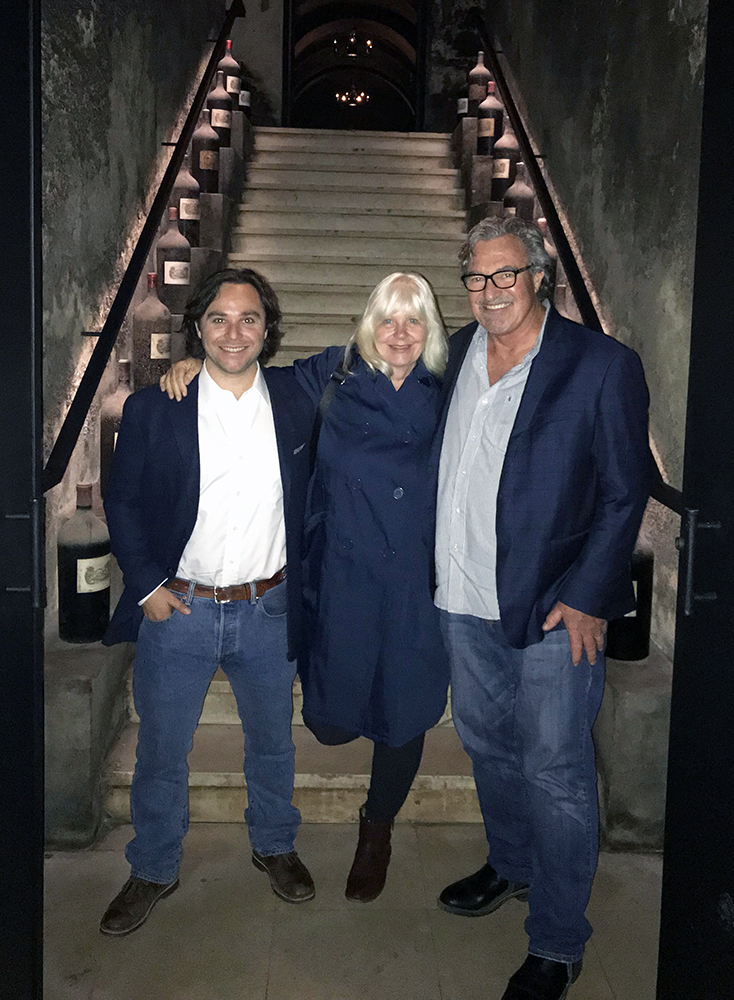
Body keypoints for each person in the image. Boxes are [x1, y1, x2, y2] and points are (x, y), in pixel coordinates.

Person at [162, 271, 451, 903]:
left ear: (431, 329)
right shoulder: (333, 374)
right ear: (367, 324)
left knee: (403, 710)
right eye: (387, 318)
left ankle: (376, 831)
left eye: (414, 320)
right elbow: (246, 371)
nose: (400, 333)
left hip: (413, 581)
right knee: (328, 720)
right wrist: (192, 364)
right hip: (341, 575)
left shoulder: (449, 387)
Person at [434, 217, 650, 1000]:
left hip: (555, 609)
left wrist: (590, 595)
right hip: (461, 597)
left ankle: (558, 942)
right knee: (486, 744)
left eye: (506, 275)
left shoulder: (600, 365)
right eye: (476, 277)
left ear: (539, 278)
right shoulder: (456, 352)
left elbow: (625, 490)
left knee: (556, 772)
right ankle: (513, 863)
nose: (489, 291)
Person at [99, 268, 316, 937]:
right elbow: (123, 501)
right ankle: (153, 865)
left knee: (272, 742)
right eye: (218, 318)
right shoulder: (155, 406)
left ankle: (274, 843)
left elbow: (372, 352)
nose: (233, 332)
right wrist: (147, 587)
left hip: (268, 607)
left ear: (268, 330)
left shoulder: (298, 399)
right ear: (196, 327)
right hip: (181, 609)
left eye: (249, 318)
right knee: (162, 748)